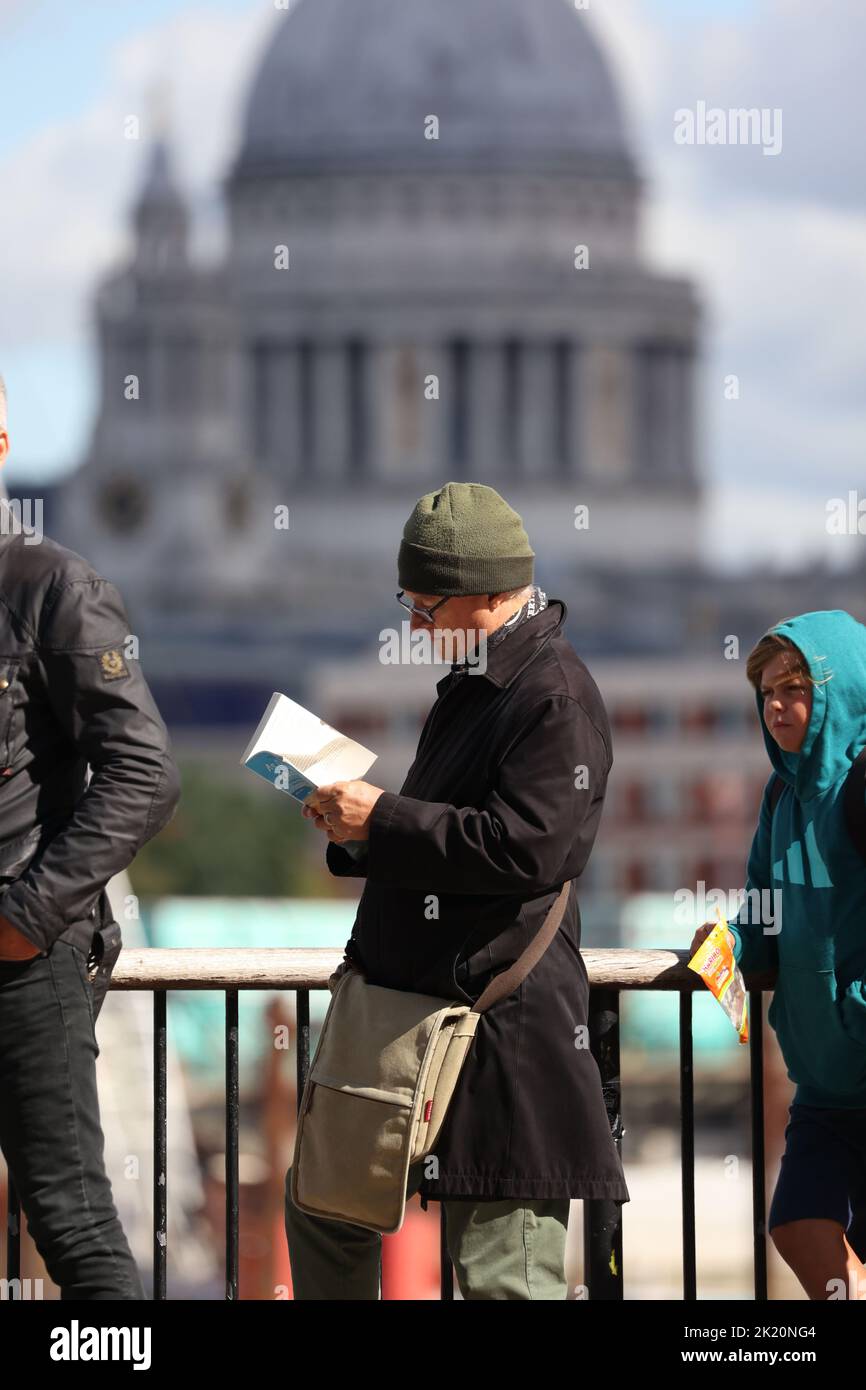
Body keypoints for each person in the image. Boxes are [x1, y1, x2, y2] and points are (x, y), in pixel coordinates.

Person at [285, 480, 629, 1300]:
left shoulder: (552, 695)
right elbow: (450, 835)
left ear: (491, 594)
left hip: (499, 1037)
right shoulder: (483, 680)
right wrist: (360, 825)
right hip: (420, 1021)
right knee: (324, 1209)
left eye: (426, 605)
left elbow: (523, 850)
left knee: (503, 1278)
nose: (412, 625)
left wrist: (384, 818)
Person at [0, 373, 181, 1298]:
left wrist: (26, 915)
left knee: (70, 1223)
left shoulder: (53, 585)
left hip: (22, 965)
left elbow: (146, 772)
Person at [690, 611, 866, 1300]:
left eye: (794, 688)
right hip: (823, 1079)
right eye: (766, 692)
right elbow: (764, 906)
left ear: (839, 690)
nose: (777, 706)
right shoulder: (780, 795)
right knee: (796, 1222)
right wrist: (730, 944)